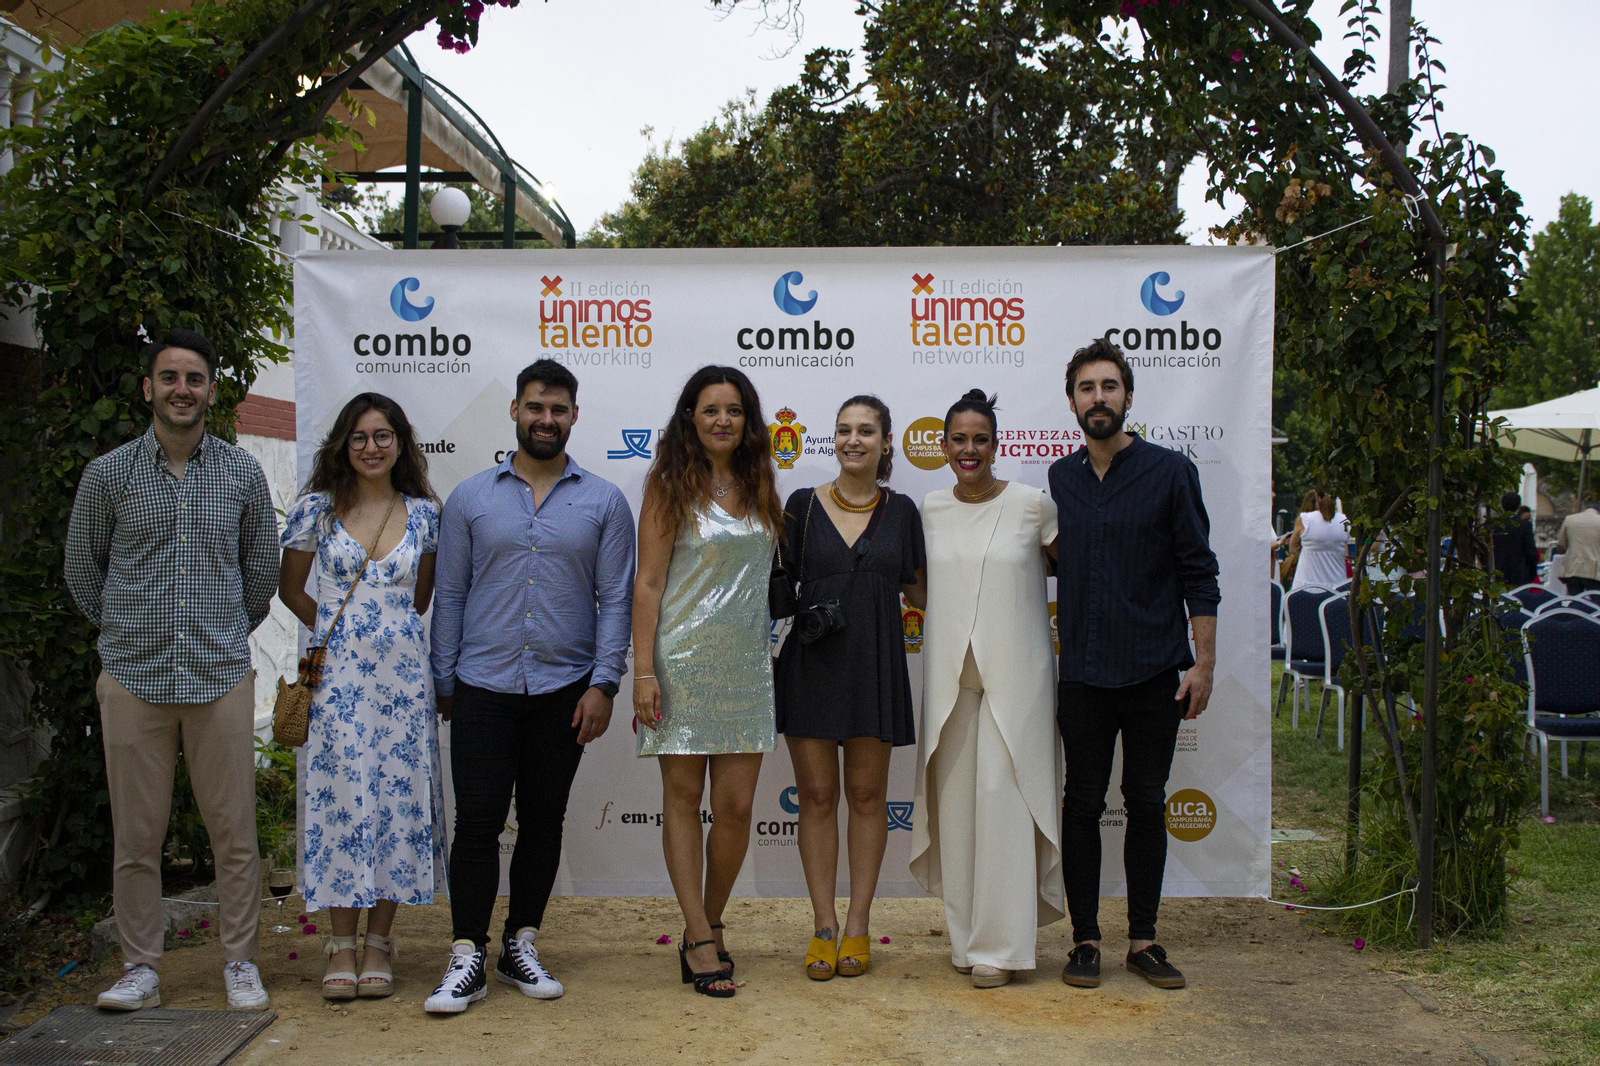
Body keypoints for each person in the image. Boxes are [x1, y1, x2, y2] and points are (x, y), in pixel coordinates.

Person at [65, 328, 276, 1011]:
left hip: (219, 677)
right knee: (136, 837)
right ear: (148, 388)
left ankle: (240, 962)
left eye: (194, 379)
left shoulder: (241, 474)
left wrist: (220, 633)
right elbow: (83, 571)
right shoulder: (108, 475)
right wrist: (126, 635)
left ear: (211, 391)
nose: (181, 389)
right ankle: (140, 969)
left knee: (234, 834)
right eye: (169, 378)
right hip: (135, 678)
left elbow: (260, 574)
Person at [424, 360, 635, 1014]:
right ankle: (467, 953)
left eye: (558, 410)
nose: (547, 419)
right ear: (515, 410)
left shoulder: (604, 502)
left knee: (544, 821)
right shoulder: (470, 499)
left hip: (565, 689)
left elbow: (616, 599)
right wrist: (444, 680)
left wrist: (604, 683)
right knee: (477, 823)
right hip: (481, 685)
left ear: (574, 417)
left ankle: (521, 943)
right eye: (536, 407)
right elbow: (450, 594)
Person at [1049, 337, 1220, 992]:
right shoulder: (1060, 480)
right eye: (1087, 388)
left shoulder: (1171, 472)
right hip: (1082, 674)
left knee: (1146, 802)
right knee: (1081, 804)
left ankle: (1144, 940)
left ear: (1127, 396)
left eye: (1109, 386)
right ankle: (1085, 940)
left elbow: (1199, 572)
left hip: (1153, 672)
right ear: (1072, 402)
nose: (1099, 398)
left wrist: (1204, 664)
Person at [277, 393, 446, 1000]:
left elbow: (420, 600)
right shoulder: (316, 510)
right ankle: (341, 945)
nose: (371, 447)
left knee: (397, 800)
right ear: (342, 446)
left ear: (400, 444)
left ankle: (379, 942)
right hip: (337, 685)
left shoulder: (426, 515)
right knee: (342, 801)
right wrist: (334, 631)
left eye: (382, 436)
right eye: (359, 437)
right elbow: (291, 588)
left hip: (403, 683)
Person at [632, 365, 783, 998]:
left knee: (737, 807)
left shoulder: (761, 482)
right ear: (690, 417)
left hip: (747, 667)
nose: (723, 420)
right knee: (682, 798)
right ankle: (696, 934)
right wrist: (644, 671)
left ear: (748, 421)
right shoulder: (668, 484)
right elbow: (648, 584)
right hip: (682, 664)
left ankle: (713, 918)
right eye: (711, 409)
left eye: (734, 410)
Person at [910, 389, 1062, 990]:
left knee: (1004, 802)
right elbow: (918, 586)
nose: (968, 450)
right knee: (955, 808)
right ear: (943, 445)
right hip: (949, 680)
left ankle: (1002, 948)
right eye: (958, 439)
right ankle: (966, 941)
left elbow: (1078, 571)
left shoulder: (1032, 505)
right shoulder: (929, 508)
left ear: (996, 445)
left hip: (1018, 679)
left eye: (980, 439)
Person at [775, 396, 926, 981]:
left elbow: (923, 592)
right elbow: (773, 589)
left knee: (867, 796)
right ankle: (823, 925)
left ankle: (858, 923)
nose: (853, 440)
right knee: (816, 797)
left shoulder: (903, 511)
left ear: (886, 442)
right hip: (811, 665)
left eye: (866, 430)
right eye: (844, 430)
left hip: (875, 665)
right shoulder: (801, 505)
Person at [1289, 490, 1349, 591]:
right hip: (1338, 585)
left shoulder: (1305, 519)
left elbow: (1292, 548)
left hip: (1306, 585)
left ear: (1317, 496)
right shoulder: (1344, 520)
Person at [1490, 491, 1540, 589]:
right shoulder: (1524, 525)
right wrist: (1531, 573)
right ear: (1519, 506)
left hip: (1497, 575)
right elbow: (1531, 552)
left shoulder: (1493, 526)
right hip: (1519, 576)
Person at [1555, 500, 1600, 594]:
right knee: (1596, 599)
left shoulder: (1569, 519)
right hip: (1594, 570)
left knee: (1574, 598)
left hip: (1572, 568)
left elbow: (1561, 545)